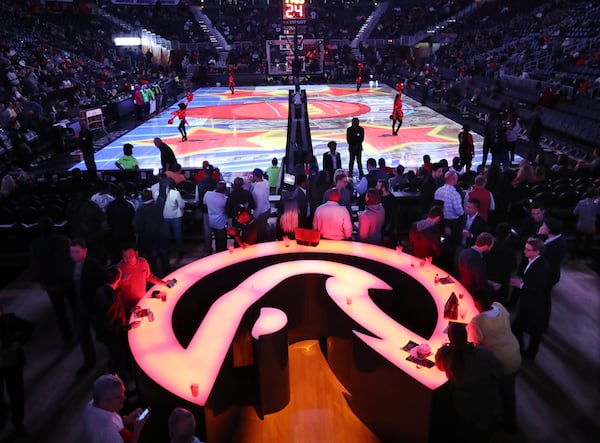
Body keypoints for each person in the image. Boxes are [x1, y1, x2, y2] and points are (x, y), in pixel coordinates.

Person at [434, 323, 503, 443]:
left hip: (464, 409)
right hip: (488, 405)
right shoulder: (484, 354)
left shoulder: (448, 359)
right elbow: (500, 371)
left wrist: (444, 349)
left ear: (450, 339)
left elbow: (439, 364)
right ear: (466, 335)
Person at [467, 290, 521, 433]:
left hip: (501, 361)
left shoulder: (477, 322)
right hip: (514, 351)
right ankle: (509, 421)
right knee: (508, 391)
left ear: (477, 303)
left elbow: (476, 345)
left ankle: (509, 426)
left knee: (504, 394)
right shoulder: (500, 306)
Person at [30, 216, 73, 345]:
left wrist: (40, 280)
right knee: (74, 305)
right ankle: (81, 333)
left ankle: (67, 337)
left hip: (51, 282)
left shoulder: (35, 244)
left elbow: (35, 264)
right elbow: (71, 258)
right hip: (66, 279)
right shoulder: (63, 240)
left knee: (59, 310)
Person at [94, 266, 141, 379]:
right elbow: (112, 325)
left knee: (115, 359)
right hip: (113, 337)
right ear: (118, 280)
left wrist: (130, 310)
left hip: (105, 335)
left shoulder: (102, 290)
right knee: (118, 362)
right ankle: (122, 387)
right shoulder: (112, 298)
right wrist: (130, 326)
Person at [510, 238, 552, 360]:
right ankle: (523, 351)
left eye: (528, 250)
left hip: (535, 304)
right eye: (525, 248)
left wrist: (521, 285)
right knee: (520, 327)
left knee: (533, 331)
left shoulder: (542, 267)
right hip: (528, 301)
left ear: (537, 251)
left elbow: (539, 287)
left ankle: (528, 353)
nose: (524, 252)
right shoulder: (532, 260)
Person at [69, 238, 105, 375]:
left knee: (102, 334)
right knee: (83, 336)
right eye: (72, 252)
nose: (74, 255)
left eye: (77, 252)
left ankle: (109, 360)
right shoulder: (70, 265)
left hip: (92, 307)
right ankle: (89, 361)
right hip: (78, 308)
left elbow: (102, 284)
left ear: (85, 251)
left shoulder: (93, 266)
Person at [0, 303, 33, 441]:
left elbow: (28, 328)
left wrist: (17, 343)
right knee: (14, 394)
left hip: (11, 364)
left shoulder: (9, 321)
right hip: (8, 364)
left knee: (16, 394)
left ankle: (17, 424)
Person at [82, 374, 147, 443]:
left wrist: (126, 419)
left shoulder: (92, 404)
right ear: (104, 401)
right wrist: (137, 430)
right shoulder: (107, 430)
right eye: (118, 397)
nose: (124, 398)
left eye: (123, 393)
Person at [117, 245, 172, 314]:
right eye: (124, 256)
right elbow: (116, 292)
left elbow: (149, 276)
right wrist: (128, 308)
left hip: (142, 302)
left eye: (130, 254)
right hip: (129, 308)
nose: (127, 258)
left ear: (136, 253)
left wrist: (164, 283)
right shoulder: (119, 269)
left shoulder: (143, 262)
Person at [133, 189, 170, 277]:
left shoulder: (140, 210)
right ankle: (167, 274)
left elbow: (138, 226)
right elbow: (162, 196)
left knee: (152, 258)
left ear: (142, 198)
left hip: (149, 237)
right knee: (164, 255)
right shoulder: (159, 204)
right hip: (162, 235)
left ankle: (154, 277)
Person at [457, 232, 496, 298]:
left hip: (461, 287)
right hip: (471, 294)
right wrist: (492, 287)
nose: (492, 247)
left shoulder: (464, 252)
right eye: (491, 245)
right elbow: (481, 284)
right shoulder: (479, 261)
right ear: (486, 246)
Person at [573, 187, 600, 261]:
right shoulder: (596, 205)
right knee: (589, 241)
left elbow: (575, 213)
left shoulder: (580, 202)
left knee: (577, 240)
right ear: (595, 196)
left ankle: (574, 255)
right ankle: (585, 255)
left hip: (580, 226)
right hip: (591, 228)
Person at [538, 218, 567, 288]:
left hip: (547, 276)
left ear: (548, 229)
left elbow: (542, 261)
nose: (541, 227)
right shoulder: (552, 237)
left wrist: (538, 234)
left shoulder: (557, 246)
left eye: (543, 225)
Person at [204, 181, 229, 253]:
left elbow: (204, 202)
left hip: (211, 221)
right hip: (221, 222)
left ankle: (217, 253)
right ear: (225, 190)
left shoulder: (208, 194)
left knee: (216, 237)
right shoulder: (225, 199)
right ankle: (221, 253)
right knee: (222, 240)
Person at [250, 168, 271, 242]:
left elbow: (259, 205)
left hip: (261, 213)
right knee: (264, 228)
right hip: (267, 209)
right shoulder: (266, 182)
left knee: (260, 233)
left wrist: (256, 217)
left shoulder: (258, 191)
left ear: (255, 176)